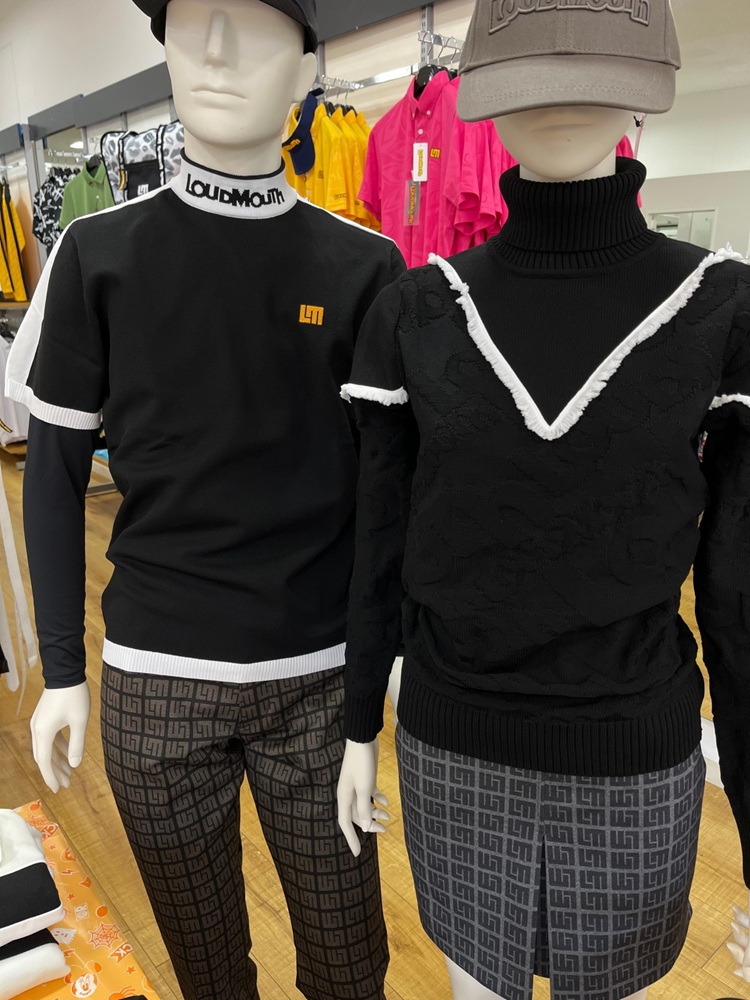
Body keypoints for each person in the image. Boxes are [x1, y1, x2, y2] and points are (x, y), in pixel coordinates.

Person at [336, 1, 750, 998]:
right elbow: (379, 541)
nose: (561, 89)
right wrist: (357, 726)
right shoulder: (414, 310)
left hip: (636, 758)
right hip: (451, 745)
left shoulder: (725, 308)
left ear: (642, 93)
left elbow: (739, 590)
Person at [6, 2, 406, 998]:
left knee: (350, 965)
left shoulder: (366, 268)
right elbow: (52, 474)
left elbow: (392, 493)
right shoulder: (96, 254)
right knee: (209, 970)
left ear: (307, 66)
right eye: (192, 25)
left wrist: (384, 667)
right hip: (156, 680)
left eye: (254, 28)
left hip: (320, 680)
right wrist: (63, 670)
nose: (217, 53)